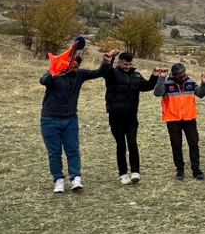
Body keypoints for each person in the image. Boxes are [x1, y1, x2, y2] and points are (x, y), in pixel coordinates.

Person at [40, 47, 116, 193]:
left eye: (77, 66)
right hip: (49, 119)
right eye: (72, 66)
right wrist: (54, 74)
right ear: (66, 64)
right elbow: (43, 80)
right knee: (54, 152)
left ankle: (75, 178)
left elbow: (98, 73)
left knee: (72, 150)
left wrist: (107, 61)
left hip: (70, 119)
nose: (74, 68)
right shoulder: (55, 71)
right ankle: (58, 180)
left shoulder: (80, 74)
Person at [103, 52, 159, 185]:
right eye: (125, 64)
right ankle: (123, 173)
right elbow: (105, 71)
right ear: (119, 63)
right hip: (116, 116)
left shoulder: (136, 75)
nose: (127, 66)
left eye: (129, 64)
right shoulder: (112, 74)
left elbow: (147, 87)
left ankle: (135, 171)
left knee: (132, 143)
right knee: (121, 145)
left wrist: (154, 77)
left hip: (131, 116)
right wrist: (109, 60)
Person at [153, 62, 205, 180]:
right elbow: (157, 93)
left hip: (189, 118)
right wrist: (162, 77)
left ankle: (196, 168)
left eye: (184, 75)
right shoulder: (166, 82)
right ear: (173, 75)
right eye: (180, 76)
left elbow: (200, 94)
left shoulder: (190, 81)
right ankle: (180, 169)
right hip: (172, 119)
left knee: (193, 144)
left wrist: (204, 83)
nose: (183, 77)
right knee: (176, 145)